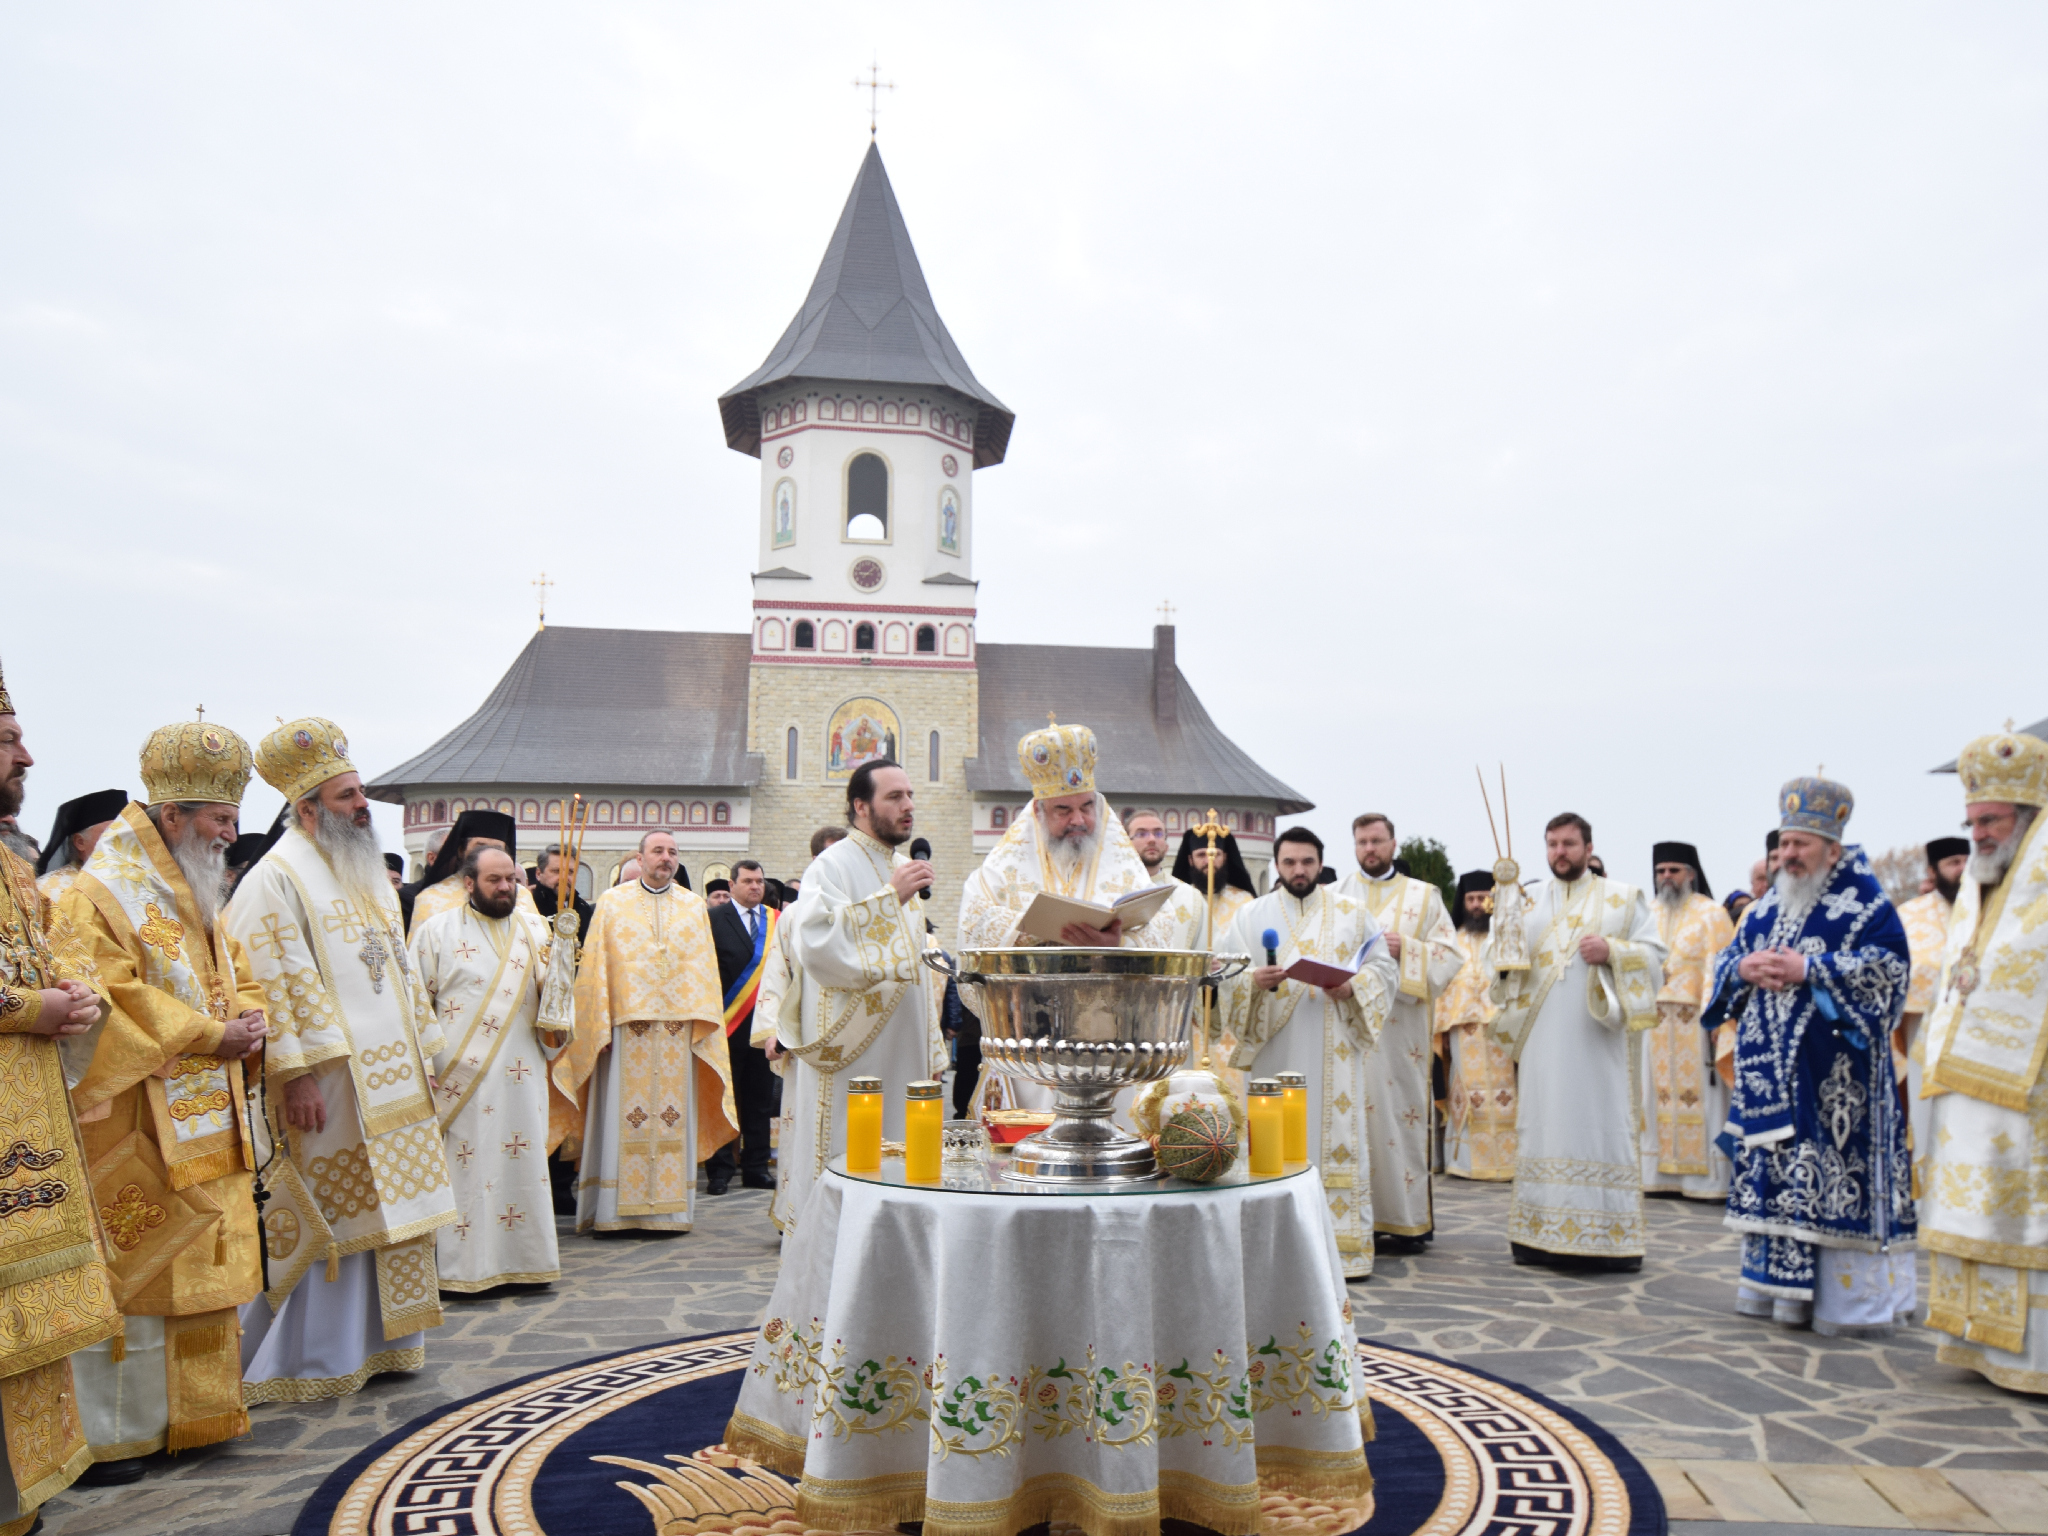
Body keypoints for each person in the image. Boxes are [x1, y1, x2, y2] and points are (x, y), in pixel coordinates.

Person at [60, 722, 271, 1475]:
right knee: (146, 1263)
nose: (230, 834)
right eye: (220, 820)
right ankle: (122, 1432)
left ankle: (203, 1415)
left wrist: (250, 1017)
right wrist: (209, 1035)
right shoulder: (102, 894)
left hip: (206, 1110)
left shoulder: (195, 887)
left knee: (205, 1258)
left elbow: (233, 968)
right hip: (135, 1119)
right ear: (174, 815)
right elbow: (101, 998)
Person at [226, 718, 456, 1402]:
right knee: (338, 1214)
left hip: (392, 1080)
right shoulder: (275, 878)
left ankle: (385, 1344)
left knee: (395, 1210)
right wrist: (293, 1074)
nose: (363, 806)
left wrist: (427, 1048)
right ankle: (315, 1354)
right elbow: (272, 981)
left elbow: (401, 969)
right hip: (329, 1083)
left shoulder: (364, 872)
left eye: (360, 793)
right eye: (347, 796)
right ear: (307, 809)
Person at [1704, 775, 1913, 1335]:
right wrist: (1742, 970)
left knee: (1825, 1183)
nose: (1788, 855)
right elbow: (1724, 969)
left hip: (1834, 1086)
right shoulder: (1765, 909)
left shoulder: (1866, 906)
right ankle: (1779, 1296)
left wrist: (1811, 970)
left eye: (1801, 845)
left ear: (1833, 849)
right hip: (1769, 1088)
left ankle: (1845, 1307)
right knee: (1778, 1183)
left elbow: (1891, 974)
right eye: (1784, 845)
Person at [0, 667, 123, 1527]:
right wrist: (29, 1008)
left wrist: (73, 996)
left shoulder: (11, 871)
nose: (28, 755)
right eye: (10, 739)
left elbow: (41, 968)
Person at [763, 761, 946, 1237]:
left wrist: (933, 1046)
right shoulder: (831, 864)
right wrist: (889, 900)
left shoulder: (903, 868)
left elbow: (915, 969)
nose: (908, 807)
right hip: (852, 1058)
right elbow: (819, 946)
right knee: (849, 1160)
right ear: (860, 807)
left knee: (901, 1162)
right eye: (894, 797)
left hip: (904, 1050)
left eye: (910, 795)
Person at [1920, 729, 2048, 1389]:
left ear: (2028, 817)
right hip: (1970, 1077)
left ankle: (2033, 1359)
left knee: (2025, 1216)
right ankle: (1978, 1344)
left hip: (2030, 1087)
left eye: (1991, 820)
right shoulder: (1980, 879)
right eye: (1971, 822)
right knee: (1973, 1204)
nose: (1979, 834)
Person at [1487, 812, 1665, 1272]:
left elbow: (1654, 960)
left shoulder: (1624, 899)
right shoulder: (1525, 903)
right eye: (1551, 844)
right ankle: (1537, 1235)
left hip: (1598, 1043)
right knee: (1541, 1122)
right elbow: (1500, 970)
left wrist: (1613, 953)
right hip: (1543, 1042)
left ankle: (1608, 1238)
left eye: (1568, 844)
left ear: (1588, 848)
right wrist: (1502, 947)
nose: (1559, 853)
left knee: (1599, 1125)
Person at [1218, 827, 1397, 1278]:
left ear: (1320, 864)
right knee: (1272, 1147)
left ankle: (1344, 1251)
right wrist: (1250, 984)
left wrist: (1353, 986)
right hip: (1274, 1055)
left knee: (1332, 1140)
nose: (1299, 870)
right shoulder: (1248, 916)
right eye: (1290, 862)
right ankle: (1272, 1253)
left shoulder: (1355, 915)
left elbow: (1384, 969)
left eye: (1307, 862)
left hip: (1336, 1050)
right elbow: (1223, 975)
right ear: (1277, 866)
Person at [558, 830, 735, 1234]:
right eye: (658, 851)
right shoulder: (612, 903)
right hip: (625, 1030)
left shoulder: (693, 907)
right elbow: (595, 969)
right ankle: (612, 1212)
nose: (666, 858)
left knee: (672, 1117)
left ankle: (669, 1214)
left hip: (677, 1032)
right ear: (640, 857)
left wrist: (703, 1029)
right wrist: (595, 1026)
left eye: (673, 852)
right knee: (622, 1116)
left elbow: (705, 972)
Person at [409, 845, 568, 1292]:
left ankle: (526, 1262)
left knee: (522, 1164)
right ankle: (466, 1269)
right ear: (468, 883)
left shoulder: (538, 930)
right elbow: (413, 1003)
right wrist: (423, 1063)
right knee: (466, 1167)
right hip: (460, 1078)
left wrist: (562, 978)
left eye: (511, 880)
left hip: (523, 1074)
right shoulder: (435, 932)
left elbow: (558, 1013)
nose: (505, 888)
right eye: (494, 880)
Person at [1339, 813, 1460, 1254]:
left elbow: (1450, 956)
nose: (1369, 849)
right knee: (1349, 1121)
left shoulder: (1424, 897)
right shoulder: (1336, 895)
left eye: (1377, 840)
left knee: (1397, 1120)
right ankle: (1354, 1219)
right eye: (1362, 842)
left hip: (1401, 1036)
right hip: (1348, 1029)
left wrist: (1405, 949)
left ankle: (1403, 1219)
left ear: (1393, 843)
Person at [1641, 842, 1737, 1201]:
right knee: (1654, 1098)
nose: (1666, 877)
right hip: (1654, 1024)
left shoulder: (1712, 914)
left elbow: (1723, 968)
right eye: (1661, 871)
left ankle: (1706, 1182)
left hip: (1696, 1023)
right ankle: (1657, 1174)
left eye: (1674, 870)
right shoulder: (1646, 913)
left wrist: (1719, 1020)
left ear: (1691, 874)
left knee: (1704, 1098)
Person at [1897, 834, 1968, 1193]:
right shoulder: (1910, 915)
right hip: (1925, 1034)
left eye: (1965, 860)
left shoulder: (1993, 907)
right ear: (1933, 870)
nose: (1963, 869)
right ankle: (1929, 1200)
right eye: (1953, 863)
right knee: (1929, 1115)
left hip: (1978, 1035)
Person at [704, 860, 779, 1196]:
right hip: (724, 1023)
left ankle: (756, 1167)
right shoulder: (713, 919)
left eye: (759, 881)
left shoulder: (776, 921)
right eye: (748, 881)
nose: (755, 887)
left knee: (759, 1100)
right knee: (723, 1098)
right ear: (732, 884)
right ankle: (719, 1170)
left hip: (762, 1027)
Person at [1436, 870, 1514, 1181]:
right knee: (1465, 1091)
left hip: (1501, 1030)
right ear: (1462, 902)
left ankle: (1507, 1159)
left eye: (1483, 898)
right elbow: (1442, 986)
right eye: (1471, 899)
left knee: (1506, 1092)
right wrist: (1439, 1030)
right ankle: (1465, 1161)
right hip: (1462, 1030)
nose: (1478, 905)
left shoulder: (1506, 941)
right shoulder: (1452, 942)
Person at [400, 809, 534, 934]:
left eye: (497, 848)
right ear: (460, 851)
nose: (489, 854)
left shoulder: (523, 898)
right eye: (480, 847)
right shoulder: (431, 900)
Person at [35, 787, 128, 903]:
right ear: (80, 842)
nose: (120, 840)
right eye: (109, 833)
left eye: (124, 833)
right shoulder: (48, 891)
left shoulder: (142, 883)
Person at [532, 843, 594, 943]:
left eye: (570, 872)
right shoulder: (529, 908)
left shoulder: (584, 910)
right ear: (539, 874)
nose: (564, 878)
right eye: (557, 871)